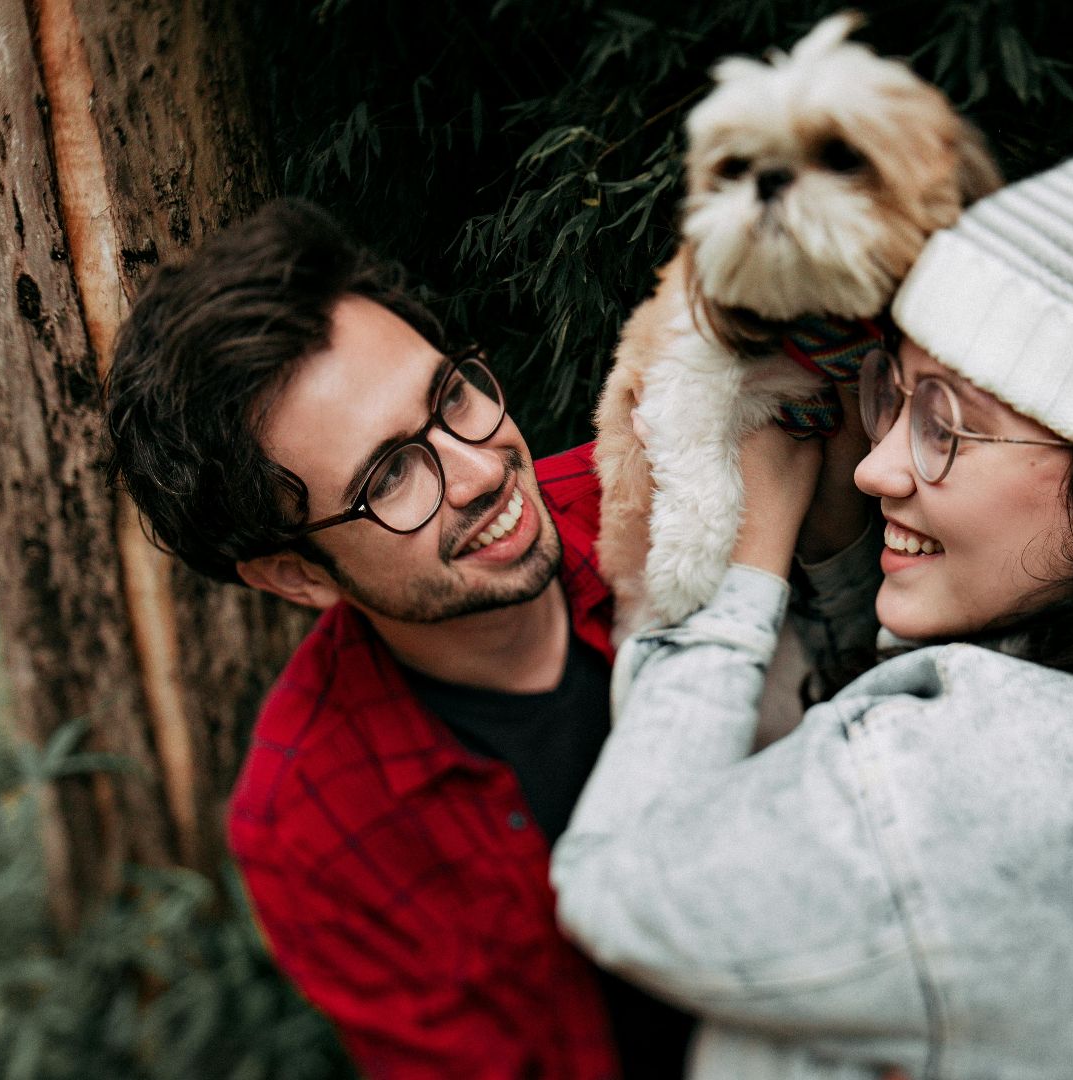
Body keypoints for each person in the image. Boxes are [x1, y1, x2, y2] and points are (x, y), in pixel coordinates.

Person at [549, 0, 1073, 1075]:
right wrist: (832, 560)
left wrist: (742, 567)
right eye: (894, 394)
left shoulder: (918, 811)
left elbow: (619, 882)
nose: (873, 468)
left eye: (948, 422)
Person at [104, 200, 868, 1078]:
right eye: (391, 476)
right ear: (297, 576)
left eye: (451, 396)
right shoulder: (311, 822)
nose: (482, 470)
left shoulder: (667, 491)